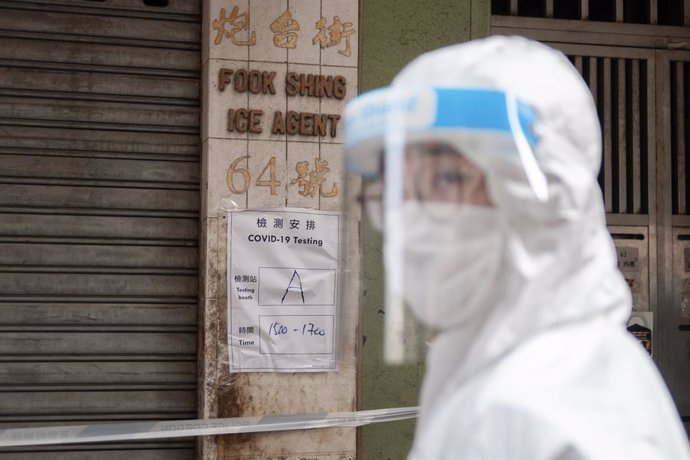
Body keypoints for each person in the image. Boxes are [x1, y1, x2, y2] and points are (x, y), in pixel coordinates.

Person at [344, 36, 690, 459]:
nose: (414, 221)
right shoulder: (493, 364)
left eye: (448, 181)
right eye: (402, 191)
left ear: (541, 197)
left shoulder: (546, 406)